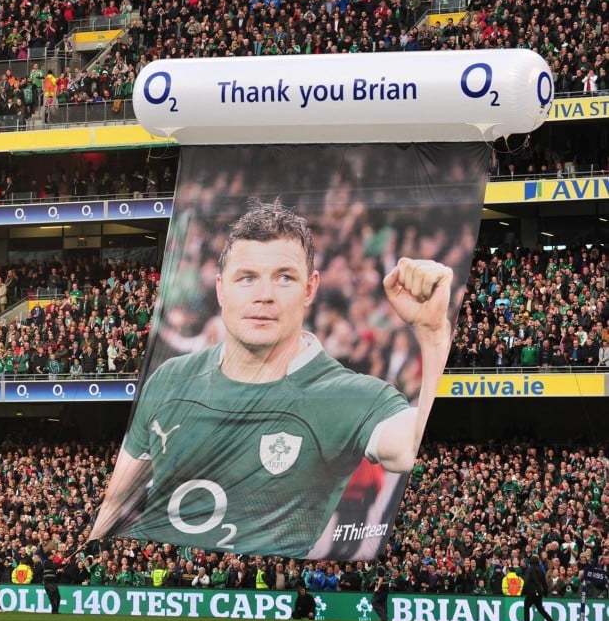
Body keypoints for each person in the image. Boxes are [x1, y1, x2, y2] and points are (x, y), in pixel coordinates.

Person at [90, 201, 454, 557]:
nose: (264, 296)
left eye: (284, 278)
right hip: (164, 600)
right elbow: (117, 497)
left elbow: (408, 449)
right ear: (221, 289)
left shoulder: (346, 396)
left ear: (310, 288)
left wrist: (434, 333)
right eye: (247, 278)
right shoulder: (169, 379)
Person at [522, 555, 555, 621]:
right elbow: (544, 583)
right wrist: (545, 592)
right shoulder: (541, 570)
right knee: (540, 608)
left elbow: (526, 581)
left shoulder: (529, 570)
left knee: (526, 607)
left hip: (531, 592)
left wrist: (523, 591)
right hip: (539, 592)